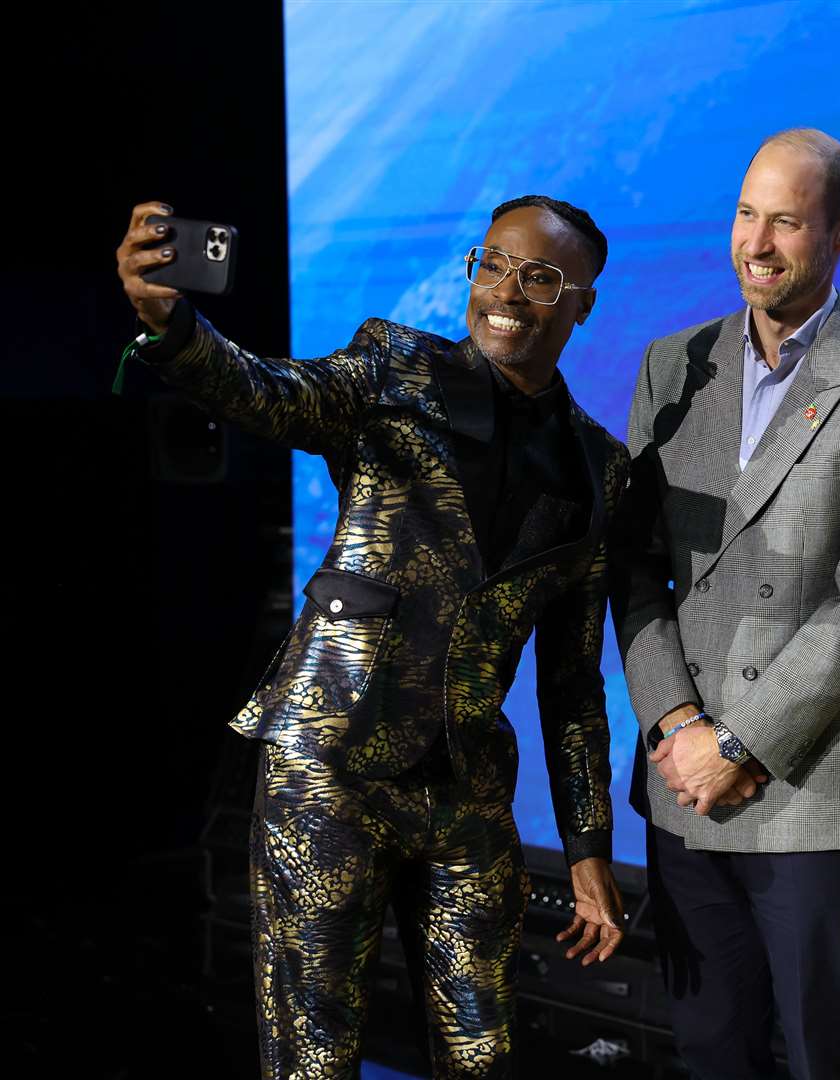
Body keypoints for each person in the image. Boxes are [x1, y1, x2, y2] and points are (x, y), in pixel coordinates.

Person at [115, 196, 630, 1078]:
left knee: (486, 1053)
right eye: (494, 263)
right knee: (315, 1059)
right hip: (329, 770)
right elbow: (270, 394)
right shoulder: (393, 366)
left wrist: (587, 850)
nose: (507, 290)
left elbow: (573, 683)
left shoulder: (598, 466)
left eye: (541, 277)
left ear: (580, 304)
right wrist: (172, 325)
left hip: (464, 794)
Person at [612, 129, 840, 1079]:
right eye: (746, 214)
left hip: (808, 784)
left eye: (787, 222)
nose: (757, 243)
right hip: (681, 784)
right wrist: (679, 726)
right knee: (711, 1049)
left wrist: (739, 741)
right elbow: (636, 573)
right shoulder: (670, 367)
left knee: (819, 1054)